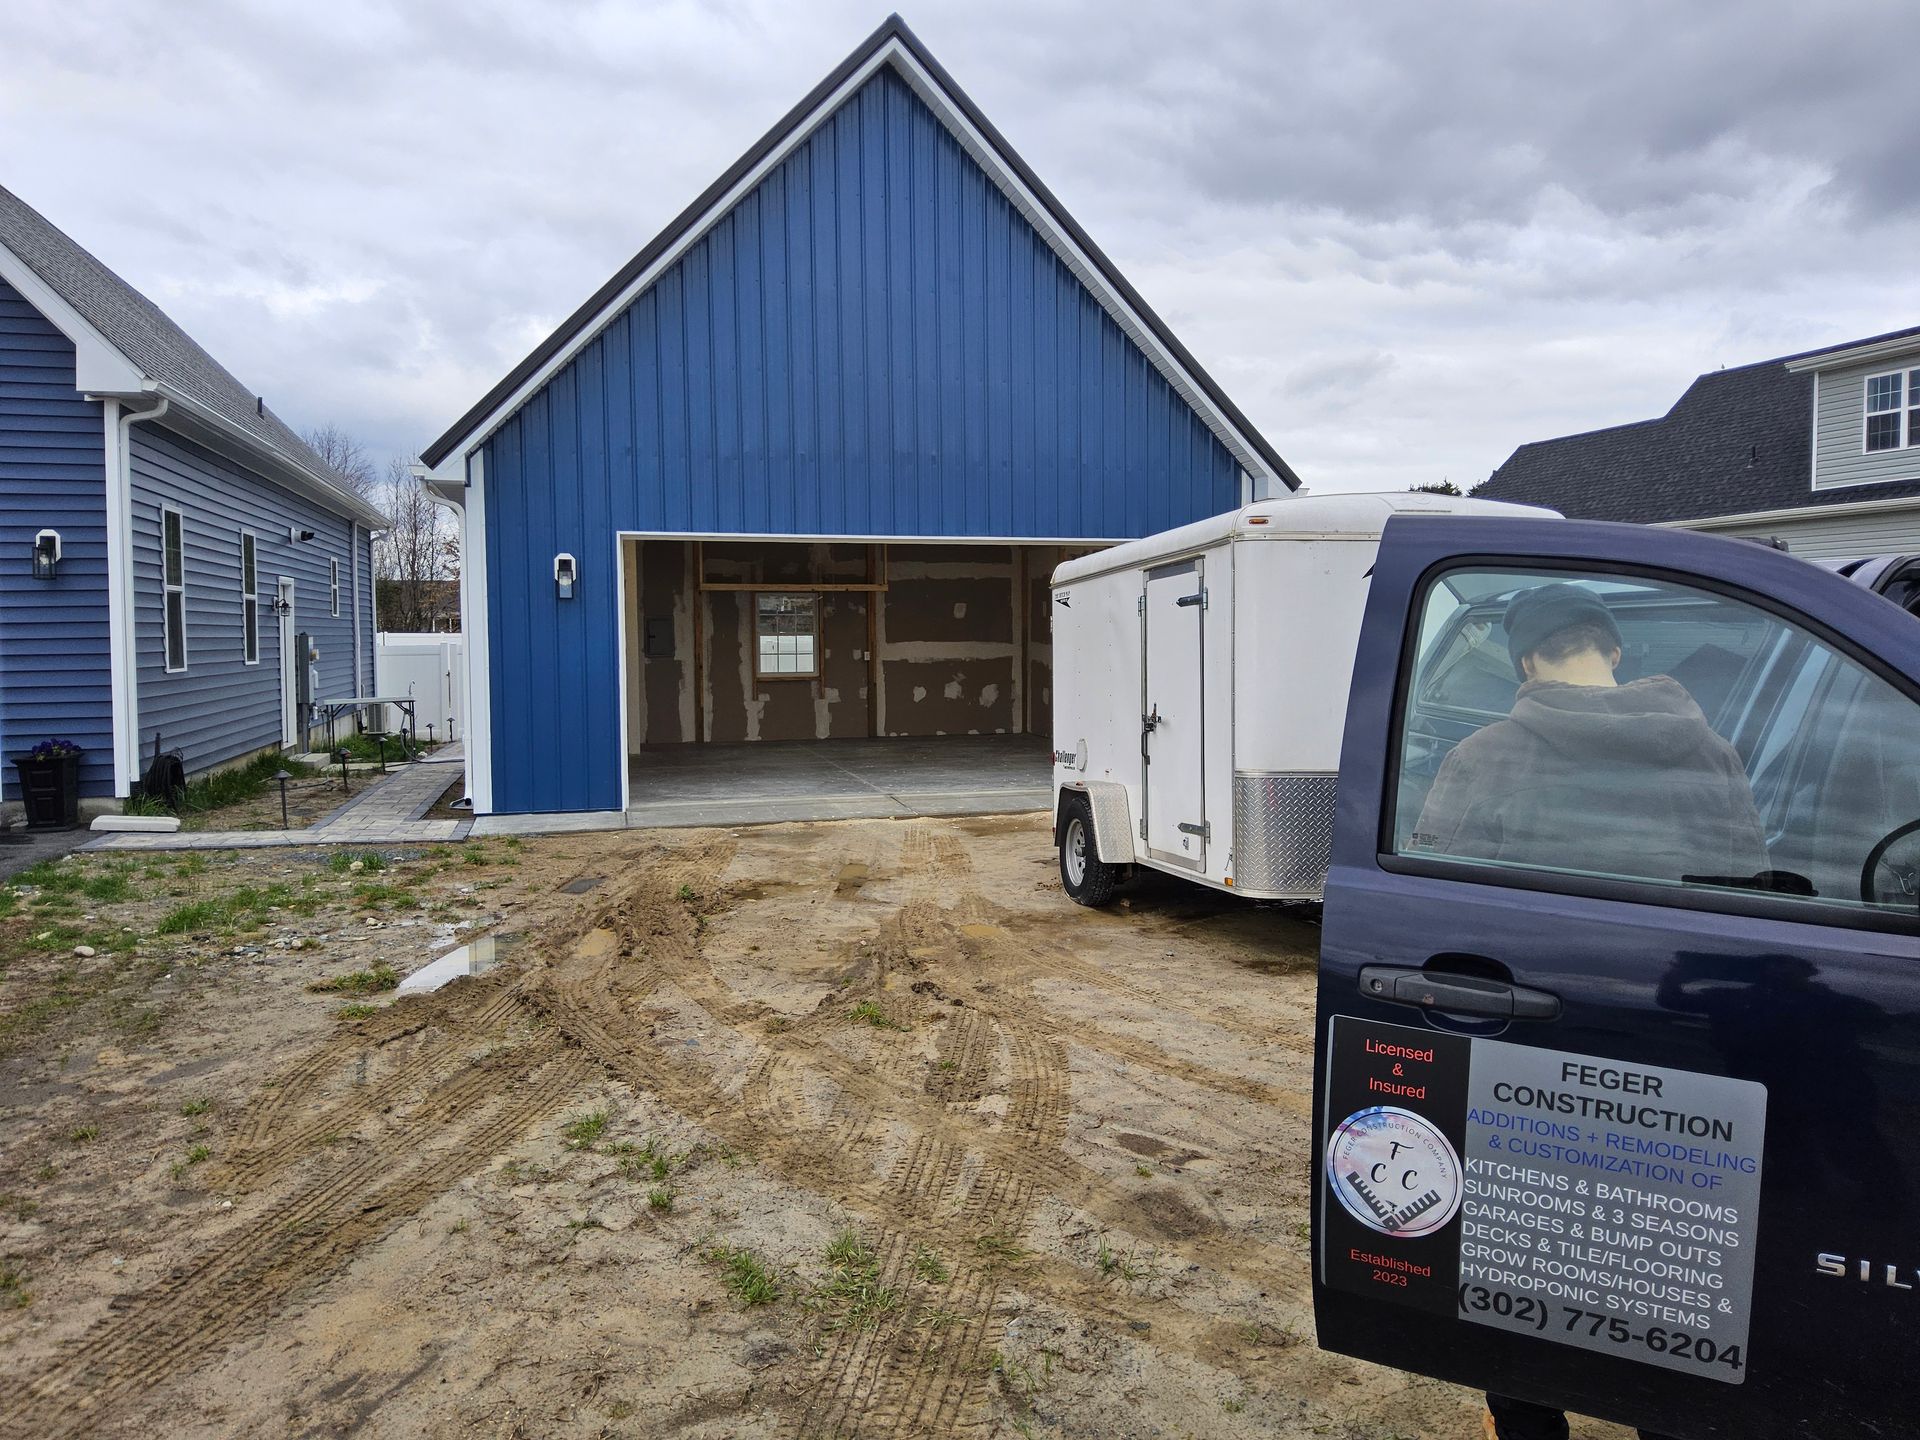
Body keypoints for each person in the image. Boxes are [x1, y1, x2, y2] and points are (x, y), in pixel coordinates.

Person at [1416, 583, 1765, 1440]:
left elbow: (1432, 915)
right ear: (1612, 650)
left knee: (1521, 1266)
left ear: (1526, 662)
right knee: (1665, 1275)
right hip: (1680, 1059)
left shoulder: (1485, 758)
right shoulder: (1712, 751)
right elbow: (1751, 900)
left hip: (1524, 1062)